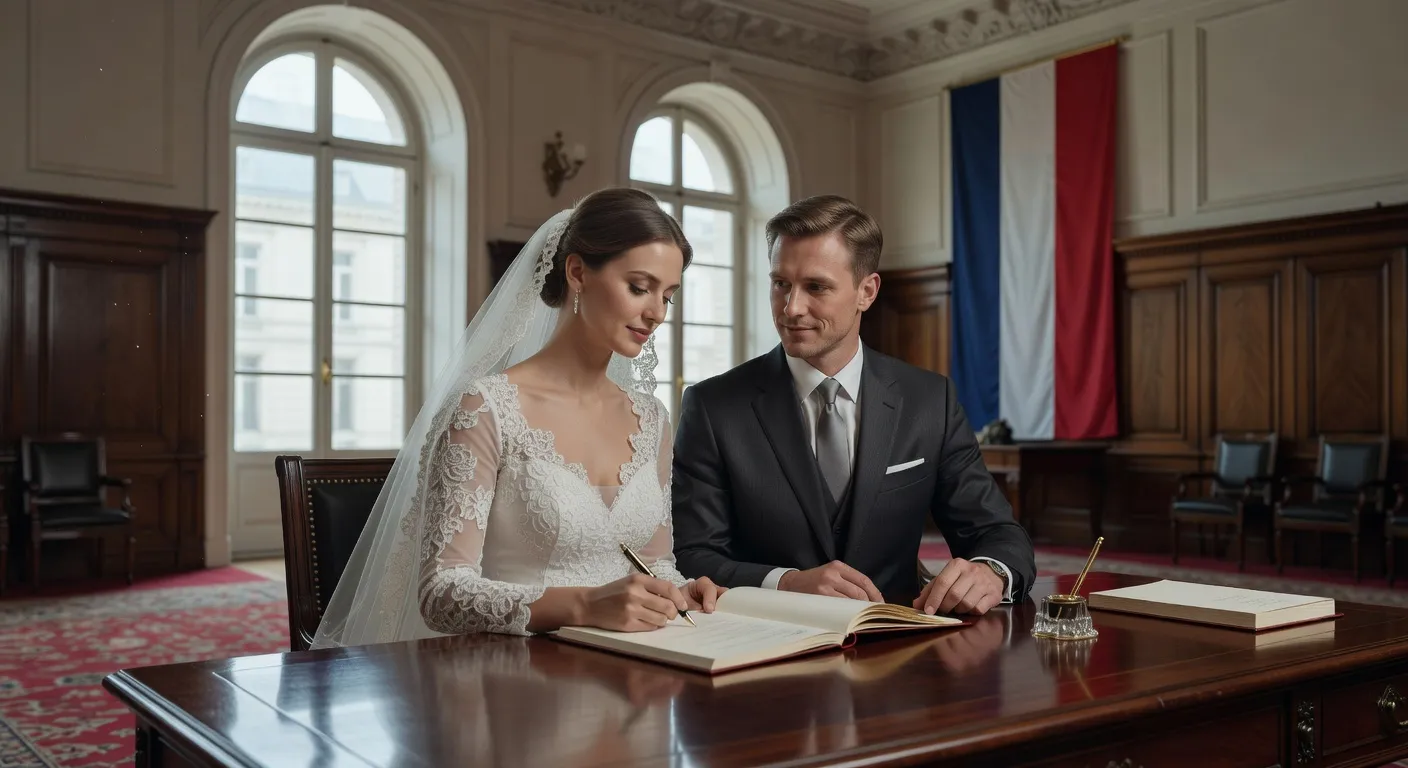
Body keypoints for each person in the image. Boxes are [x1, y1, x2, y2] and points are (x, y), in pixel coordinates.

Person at [312, 187, 723, 648]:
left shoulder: (650, 418)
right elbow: (441, 593)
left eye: (667, 296)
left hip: (633, 667)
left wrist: (676, 590)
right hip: (513, 672)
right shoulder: (485, 409)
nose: (656, 313)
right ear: (577, 273)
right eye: (639, 287)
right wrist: (585, 605)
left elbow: (652, 561)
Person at [670, 195, 1035, 615]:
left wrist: (990, 571)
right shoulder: (714, 406)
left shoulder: (930, 399)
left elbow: (998, 532)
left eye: (816, 287)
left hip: (902, 652)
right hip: (764, 650)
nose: (791, 308)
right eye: (780, 284)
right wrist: (785, 583)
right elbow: (693, 556)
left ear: (867, 291)